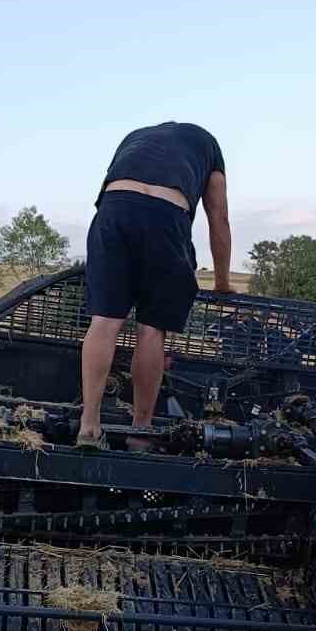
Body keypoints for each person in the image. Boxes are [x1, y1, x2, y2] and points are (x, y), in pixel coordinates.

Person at [77, 120, 232, 450]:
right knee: (151, 330)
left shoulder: (133, 136)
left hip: (113, 211)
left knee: (104, 321)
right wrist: (222, 282)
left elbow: (118, 186)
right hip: (165, 216)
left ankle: (89, 425)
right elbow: (218, 216)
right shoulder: (210, 146)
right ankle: (140, 432)